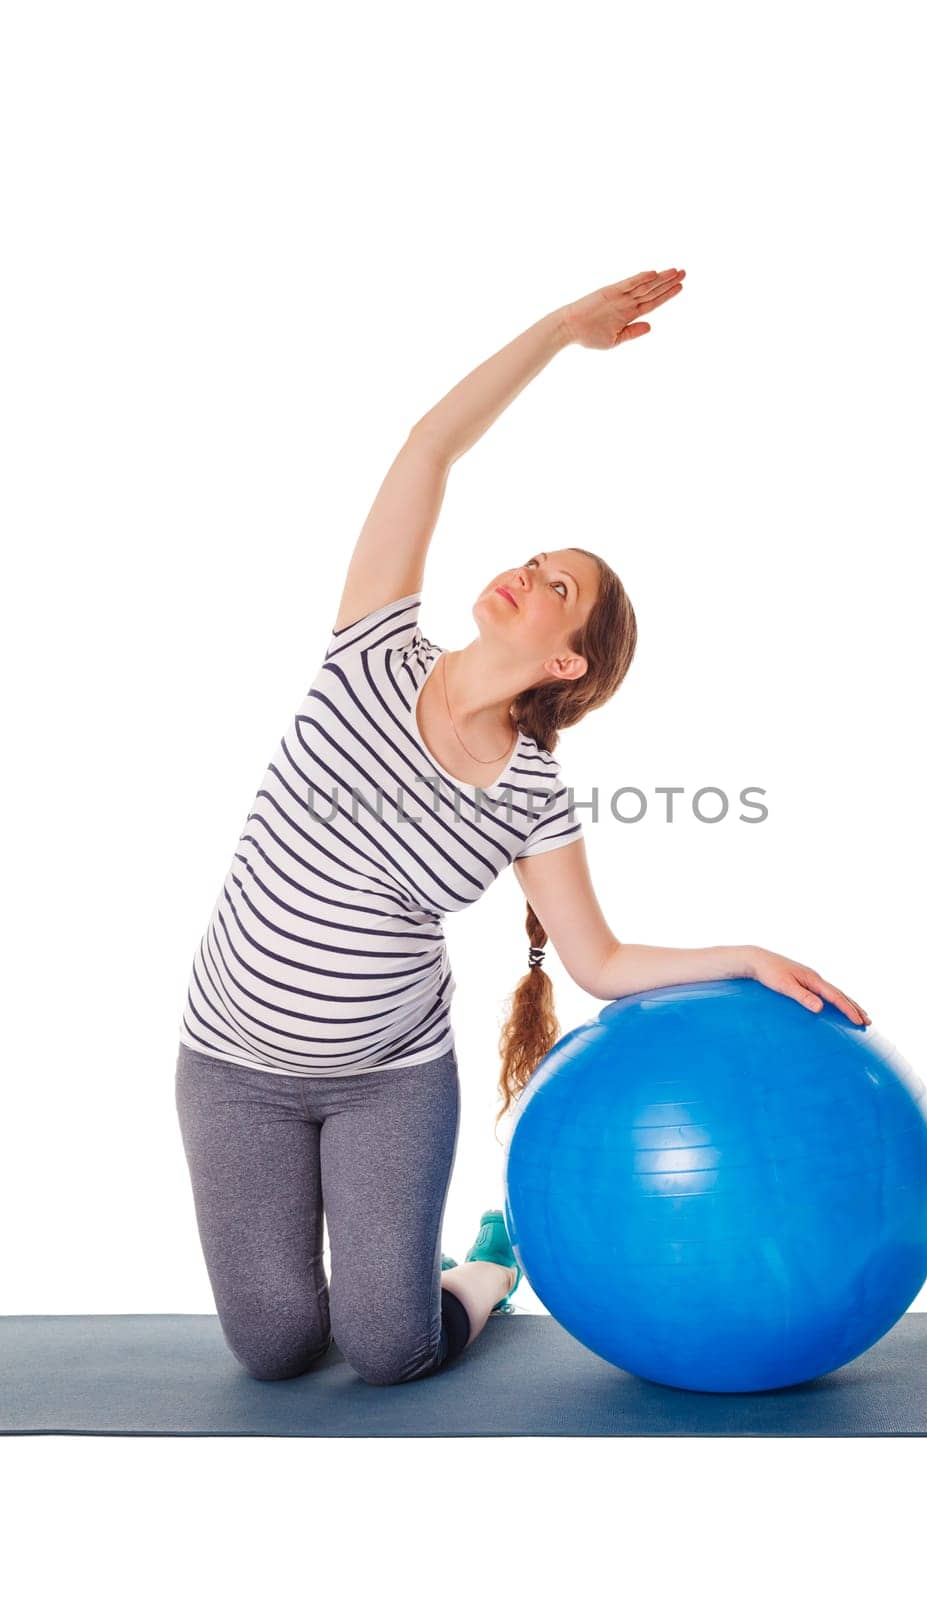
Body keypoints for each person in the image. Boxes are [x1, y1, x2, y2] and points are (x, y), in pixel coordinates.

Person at [174, 266, 872, 1386]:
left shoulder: (533, 792)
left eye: (557, 586)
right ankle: (338, 1283)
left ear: (564, 660)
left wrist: (741, 952)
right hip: (230, 1066)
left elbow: (595, 958)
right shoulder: (370, 646)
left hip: (385, 1078)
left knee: (387, 1348)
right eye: (535, 560)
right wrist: (558, 333)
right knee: (274, 1348)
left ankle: (483, 1270)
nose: (526, 573)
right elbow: (426, 450)